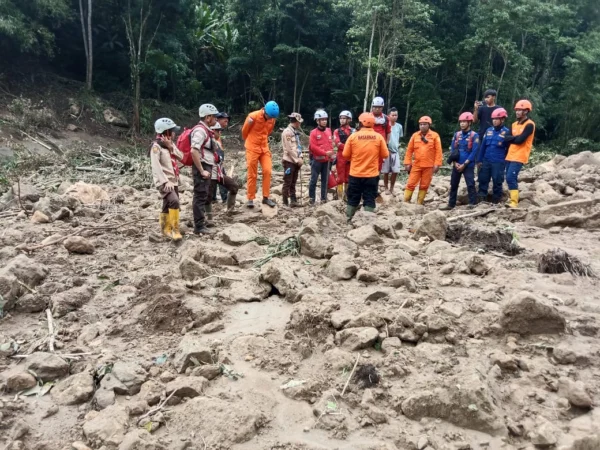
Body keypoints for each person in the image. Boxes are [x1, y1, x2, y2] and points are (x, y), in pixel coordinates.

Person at [342, 112, 389, 221]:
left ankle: (348, 220)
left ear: (360, 123)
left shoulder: (353, 137)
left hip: (355, 174)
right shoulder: (379, 137)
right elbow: (385, 154)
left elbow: (345, 155)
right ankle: (368, 222)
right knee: (369, 198)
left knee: (353, 198)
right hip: (372, 175)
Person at [150, 118, 183, 241]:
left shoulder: (170, 144)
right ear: (165, 131)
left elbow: (181, 157)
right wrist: (165, 181)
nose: (174, 133)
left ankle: (165, 229)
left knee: (167, 203)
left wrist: (171, 148)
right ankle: (175, 230)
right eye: (172, 131)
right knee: (174, 201)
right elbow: (156, 167)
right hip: (164, 181)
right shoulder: (156, 147)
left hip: (173, 180)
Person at [242, 101, 279, 208]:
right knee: (252, 173)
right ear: (264, 111)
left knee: (267, 170)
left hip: (264, 147)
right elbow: (244, 131)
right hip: (252, 148)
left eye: (272, 117)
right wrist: (250, 142)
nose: (270, 119)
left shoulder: (272, 119)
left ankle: (266, 197)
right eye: (269, 116)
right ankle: (250, 198)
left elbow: (269, 131)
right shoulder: (252, 117)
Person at [191, 103, 221, 234]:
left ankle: (201, 223)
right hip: (202, 166)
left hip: (206, 165)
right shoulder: (200, 131)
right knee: (200, 195)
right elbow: (194, 151)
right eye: (214, 117)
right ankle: (199, 226)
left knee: (203, 195)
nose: (216, 120)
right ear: (208, 117)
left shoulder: (206, 131)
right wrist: (201, 170)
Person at [440, 112, 479, 210]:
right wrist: (454, 163)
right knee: (453, 184)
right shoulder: (457, 135)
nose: (462, 124)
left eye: (464, 122)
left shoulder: (474, 136)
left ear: (469, 123)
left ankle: (472, 204)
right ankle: (451, 204)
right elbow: (453, 149)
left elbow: (474, 152)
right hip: (456, 164)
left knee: (470, 184)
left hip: (468, 165)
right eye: (461, 122)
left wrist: (465, 164)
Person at [403, 116, 442, 205]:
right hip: (416, 164)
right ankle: (405, 201)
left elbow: (438, 151)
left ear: (429, 125)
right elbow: (409, 150)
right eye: (421, 124)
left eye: (424, 124)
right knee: (411, 183)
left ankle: (420, 203)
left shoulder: (435, 136)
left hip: (429, 165)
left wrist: (437, 164)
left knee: (424, 185)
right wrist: (407, 162)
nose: (422, 126)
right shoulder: (415, 135)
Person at [475, 108, 510, 204]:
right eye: (493, 119)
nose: (494, 121)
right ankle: (481, 201)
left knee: (497, 181)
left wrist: (506, 162)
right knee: (483, 180)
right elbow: (482, 147)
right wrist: (479, 160)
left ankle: (496, 201)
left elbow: (509, 149)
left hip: (498, 161)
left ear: (502, 119)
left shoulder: (507, 132)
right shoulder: (488, 130)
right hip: (486, 160)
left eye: (496, 119)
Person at [504, 100, 535, 208]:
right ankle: (511, 198)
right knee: (507, 177)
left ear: (526, 111)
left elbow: (520, 140)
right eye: (516, 110)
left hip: (520, 155)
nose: (517, 112)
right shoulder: (513, 124)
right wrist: (514, 138)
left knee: (511, 177)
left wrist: (512, 138)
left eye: (520, 110)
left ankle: (514, 202)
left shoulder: (530, 125)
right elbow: (506, 138)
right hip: (510, 155)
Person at [209, 122, 239, 214]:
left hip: (218, 172)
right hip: (210, 173)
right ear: (213, 131)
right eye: (219, 131)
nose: (220, 133)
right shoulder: (207, 142)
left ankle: (230, 209)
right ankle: (206, 218)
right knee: (206, 197)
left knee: (234, 186)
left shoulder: (217, 142)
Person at [308, 109, 335, 205]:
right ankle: (312, 199)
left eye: (325, 119)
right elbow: (313, 147)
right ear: (317, 121)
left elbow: (330, 144)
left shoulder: (328, 131)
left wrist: (331, 156)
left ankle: (324, 198)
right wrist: (324, 153)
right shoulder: (313, 133)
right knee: (313, 180)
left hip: (327, 161)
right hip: (316, 161)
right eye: (322, 119)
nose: (324, 121)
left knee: (325, 180)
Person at [281, 112, 304, 207]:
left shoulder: (295, 132)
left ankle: (293, 200)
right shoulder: (287, 132)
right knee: (288, 181)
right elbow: (289, 149)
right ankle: (285, 202)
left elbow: (298, 146)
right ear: (296, 122)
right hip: (289, 161)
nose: (300, 124)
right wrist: (297, 160)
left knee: (293, 181)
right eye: (299, 122)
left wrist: (301, 157)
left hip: (295, 161)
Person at [333, 110, 355, 201]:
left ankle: (347, 196)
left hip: (351, 157)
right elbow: (337, 143)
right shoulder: (337, 131)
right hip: (341, 156)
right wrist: (348, 148)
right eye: (341, 118)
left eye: (344, 118)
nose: (341, 120)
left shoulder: (353, 131)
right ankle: (339, 197)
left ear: (349, 119)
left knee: (348, 177)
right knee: (340, 177)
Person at [382, 107, 403, 195]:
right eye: (393, 115)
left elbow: (399, 138)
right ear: (388, 116)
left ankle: (392, 188)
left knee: (395, 171)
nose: (394, 117)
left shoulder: (399, 126)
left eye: (396, 115)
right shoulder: (385, 126)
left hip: (395, 151)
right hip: (386, 151)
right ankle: (386, 188)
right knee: (386, 171)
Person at [215, 112, 230, 203]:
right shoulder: (213, 129)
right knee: (221, 175)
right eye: (225, 121)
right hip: (215, 155)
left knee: (215, 176)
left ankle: (213, 198)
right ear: (218, 120)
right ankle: (225, 198)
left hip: (218, 154)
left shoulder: (218, 130)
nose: (226, 123)